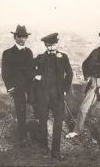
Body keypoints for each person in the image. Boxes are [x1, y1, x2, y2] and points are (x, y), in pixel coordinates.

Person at [33, 33, 73, 161]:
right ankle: (44, 147)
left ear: (57, 44)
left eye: (54, 45)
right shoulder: (40, 58)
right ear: (45, 45)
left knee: (58, 122)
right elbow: (30, 69)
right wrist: (36, 76)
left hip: (57, 96)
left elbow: (70, 74)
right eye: (49, 45)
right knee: (43, 121)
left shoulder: (63, 57)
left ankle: (56, 151)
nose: (51, 48)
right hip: (43, 95)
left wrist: (65, 90)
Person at [1, 25, 35, 147]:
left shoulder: (29, 52)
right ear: (15, 37)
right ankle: (23, 137)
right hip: (17, 87)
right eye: (19, 36)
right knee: (21, 111)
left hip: (30, 86)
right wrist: (10, 87)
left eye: (24, 37)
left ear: (26, 38)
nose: (21, 39)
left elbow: (31, 70)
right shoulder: (8, 53)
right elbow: (5, 72)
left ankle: (35, 135)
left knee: (34, 108)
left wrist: (33, 86)